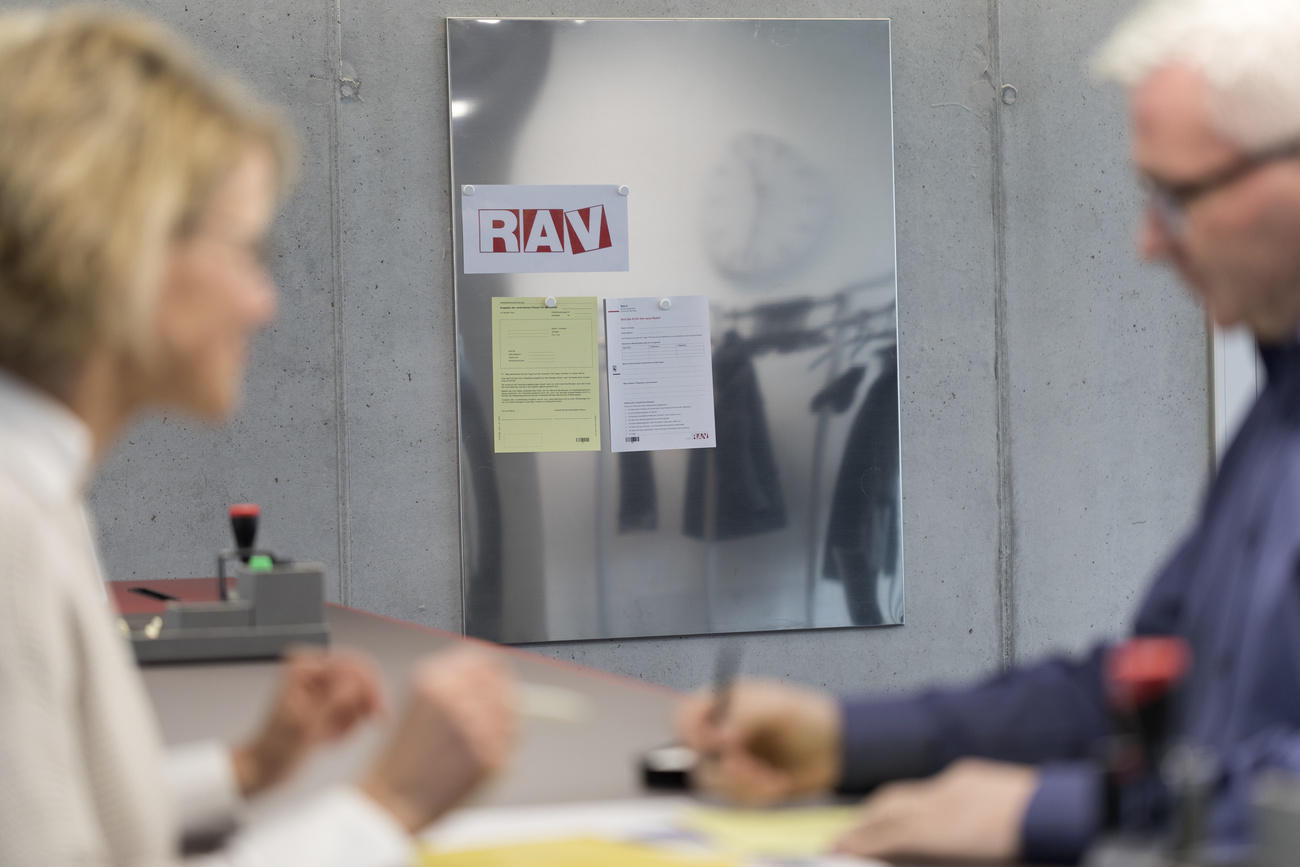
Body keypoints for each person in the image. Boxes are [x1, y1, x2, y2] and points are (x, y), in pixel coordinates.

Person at [679, 0, 1300, 863]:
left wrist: (1046, 811)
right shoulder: (1275, 422)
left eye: (1177, 196)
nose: (1148, 241)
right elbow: (1145, 691)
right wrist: (849, 737)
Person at [0, 8, 515, 866]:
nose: (262, 301)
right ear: (120, 254)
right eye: (245, 250)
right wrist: (386, 808)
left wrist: (248, 765)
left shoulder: (33, 488)